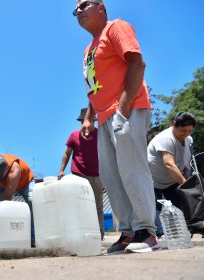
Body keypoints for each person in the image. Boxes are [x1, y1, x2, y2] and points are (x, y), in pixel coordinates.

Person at [74, 0, 160, 253]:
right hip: (103, 117)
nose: (78, 11)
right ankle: (128, 233)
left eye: (83, 4)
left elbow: (137, 63)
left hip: (127, 108)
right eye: (75, 9)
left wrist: (122, 108)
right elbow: (94, 85)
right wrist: (89, 116)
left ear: (101, 7)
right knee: (111, 177)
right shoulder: (88, 48)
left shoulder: (116, 28)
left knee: (132, 169)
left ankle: (147, 232)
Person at [148, 112, 196, 237]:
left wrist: (186, 171)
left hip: (171, 179)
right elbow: (169, 164)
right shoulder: (166, 138)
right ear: (174, 124)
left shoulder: (188, 139)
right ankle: (160, 235)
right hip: (153, 180)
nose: (186, 133)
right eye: (183, 130)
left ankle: (179, 233)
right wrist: (186, 185)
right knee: (156, 208)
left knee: (179, 207)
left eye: (189, 131)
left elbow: (185, 160)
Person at [58, 108, 104, 239]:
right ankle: (79, 233)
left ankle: (99, 234)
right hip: (78, 174)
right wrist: (61, 170)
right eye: (83, 121)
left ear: (93, 121)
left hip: (97, 175)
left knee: (98, 206)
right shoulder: (74, 135)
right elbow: (67, 153)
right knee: (79, 205)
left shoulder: (100, 134)